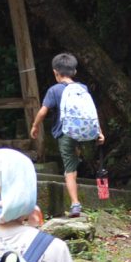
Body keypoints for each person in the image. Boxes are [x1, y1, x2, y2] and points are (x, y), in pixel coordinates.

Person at [28, 52, 103, 216]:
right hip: (86, 133)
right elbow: (91, 111)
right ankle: (80, 155)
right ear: (74, 72)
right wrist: (99, 132)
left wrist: (35, 126)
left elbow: (42, 112)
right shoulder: (82, 88)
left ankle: (75, 204)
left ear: (55, 72)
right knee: (81, 156)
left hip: (66, 133)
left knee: (70, 170)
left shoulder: (54, 90)